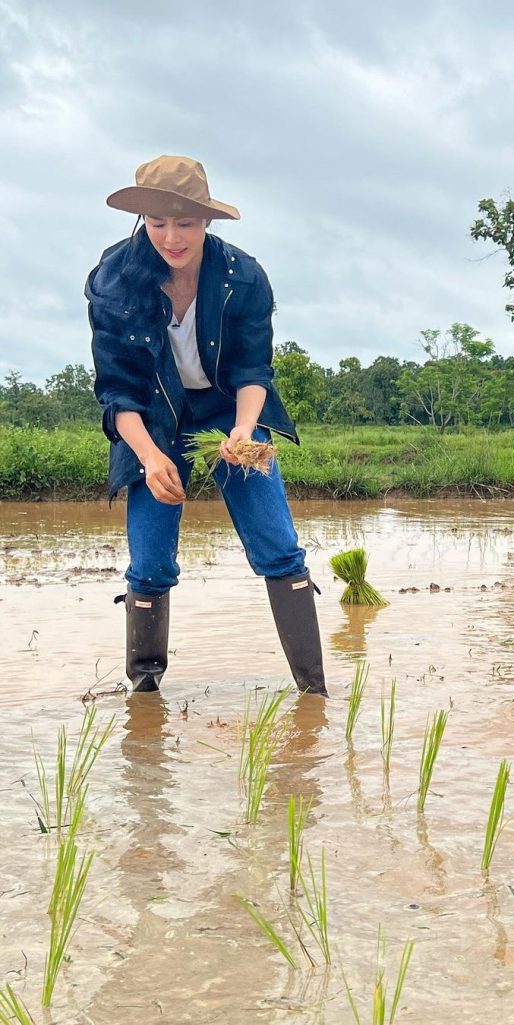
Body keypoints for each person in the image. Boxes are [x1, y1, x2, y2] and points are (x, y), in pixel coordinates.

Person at [86, 155, 327, 696]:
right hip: (150, 417)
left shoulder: (243, 277)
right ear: (143, 220)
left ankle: (314, 696)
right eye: (158, 223)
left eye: (186, 223)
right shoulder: (115, 280)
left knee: (278, 544)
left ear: (207, 221)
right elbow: (117, 389)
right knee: (148, 559)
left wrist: (245, 430)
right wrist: (149, 457)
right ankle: (144, 697)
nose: (171, 237)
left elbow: (251, 369)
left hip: (228, 409)